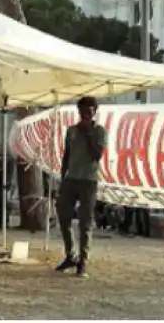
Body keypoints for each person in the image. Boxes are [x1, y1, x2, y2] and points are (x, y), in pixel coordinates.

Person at [55, 96, 107, 278]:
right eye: (83, 110)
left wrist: (87, 134)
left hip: (88, 181)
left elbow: (97, 155)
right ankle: (70, 255)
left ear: (94, 112)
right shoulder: (71, 131)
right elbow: (66, 155)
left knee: (85, 222)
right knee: (63, 217)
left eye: (89, 110)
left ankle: (83, 262)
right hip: (71, 179)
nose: (86, 114)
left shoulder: (99, 132)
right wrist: (62, 178)